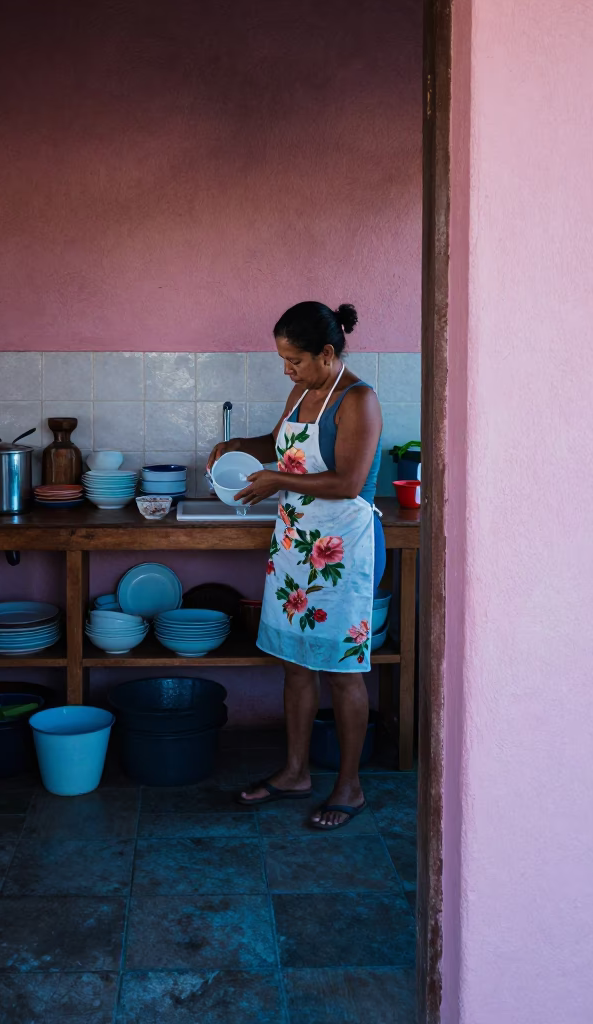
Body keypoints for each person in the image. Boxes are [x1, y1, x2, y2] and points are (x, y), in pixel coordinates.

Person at [207, 301, 384, 830]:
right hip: (294, 545)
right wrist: (242, 445)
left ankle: (349, 787)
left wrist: (276, 481)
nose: (288, 370)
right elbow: (282, 447)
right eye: (284, 360)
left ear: (326, 354)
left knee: (343, 671)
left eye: (295, 360)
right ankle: (295, 772)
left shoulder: (358, 400)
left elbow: (348, 482)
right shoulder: (304, 390)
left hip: (342, 551)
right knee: (296, 663)